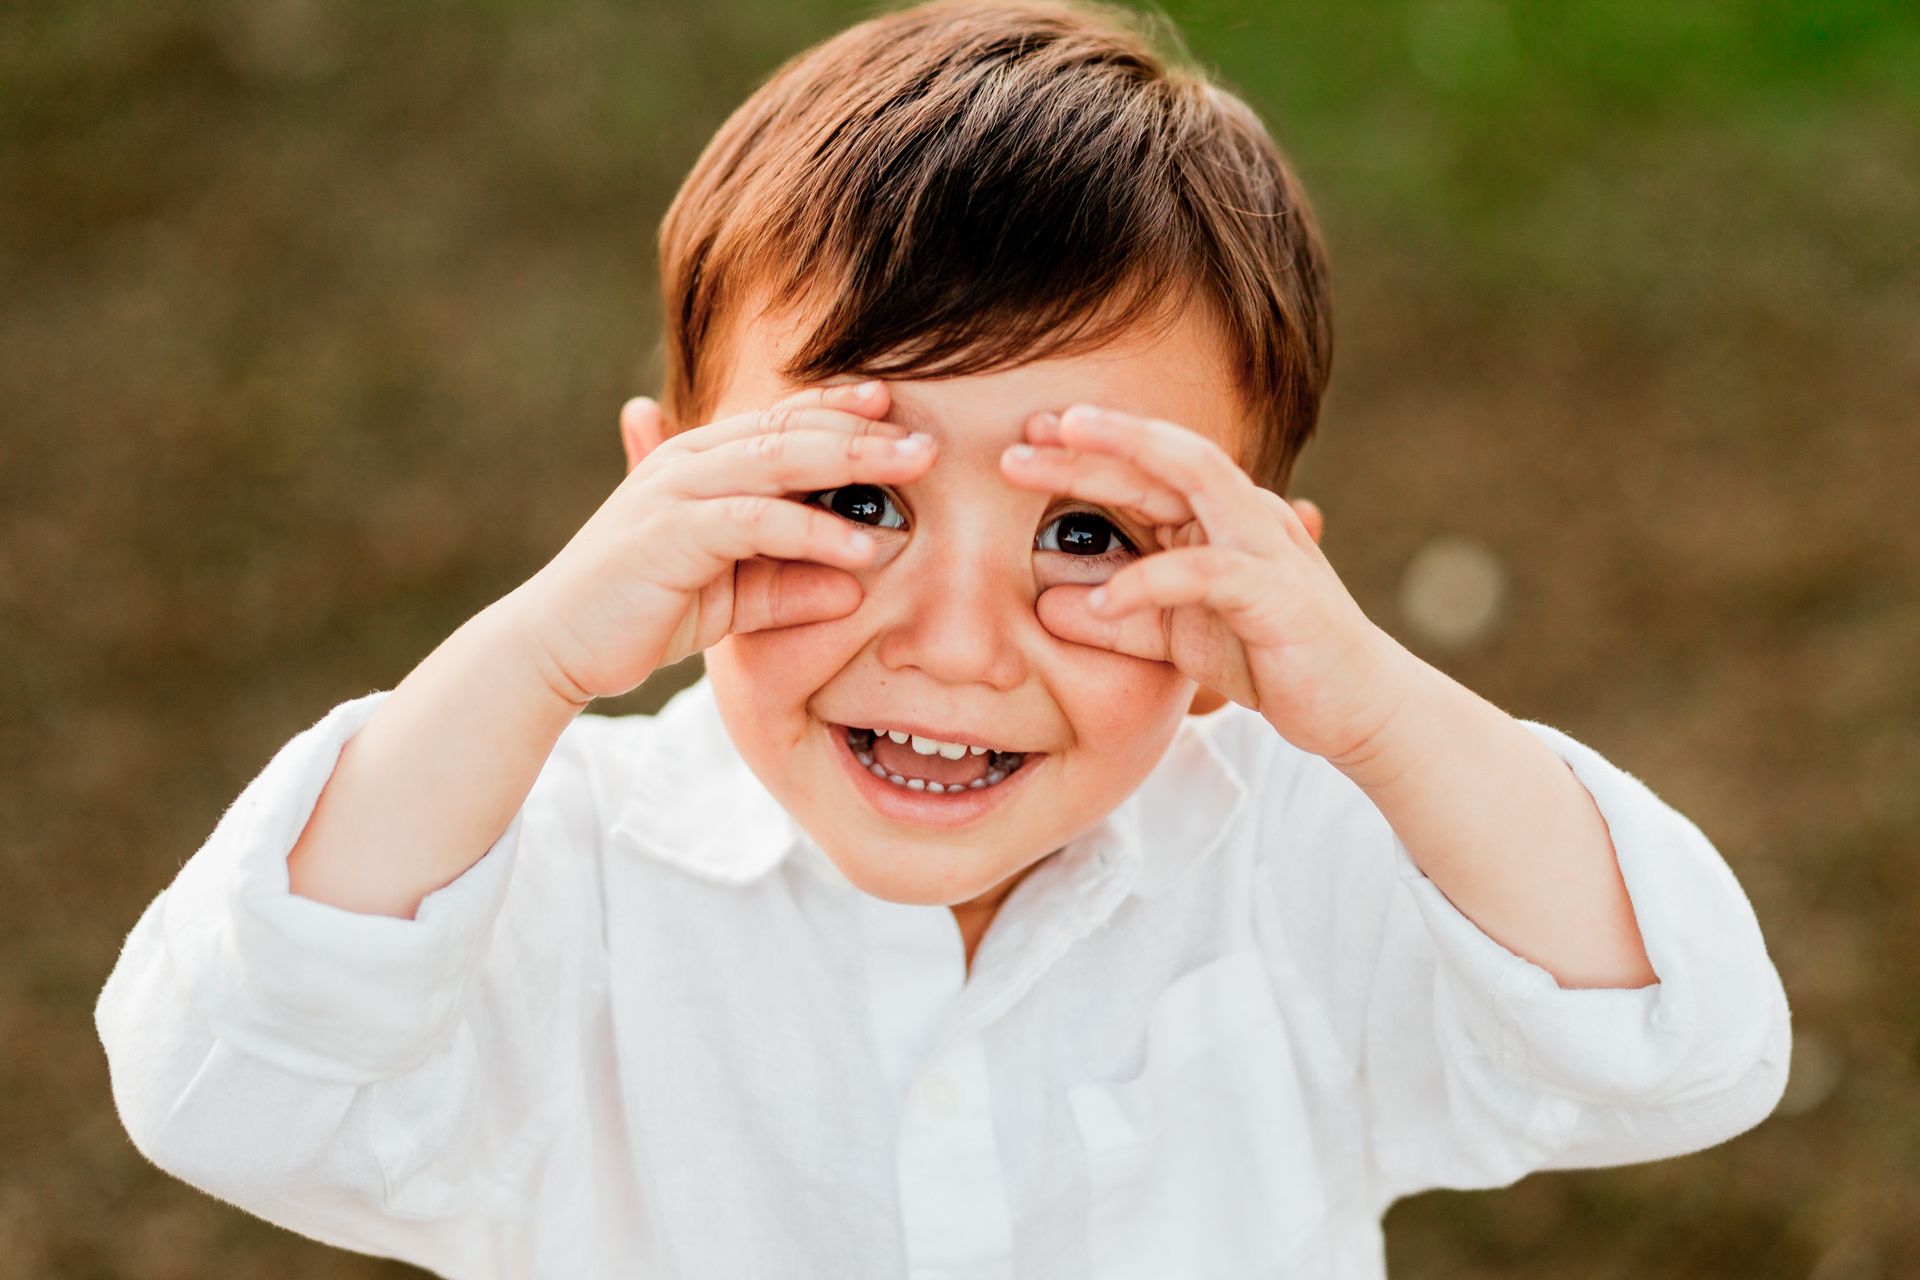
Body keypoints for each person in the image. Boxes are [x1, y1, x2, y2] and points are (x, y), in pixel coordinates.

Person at [95, 1, 1791, 1275]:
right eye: (856, 499)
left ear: (1256, 591)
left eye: (1086, 532)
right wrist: (532, 655)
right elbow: (223, 1084)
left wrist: (1376, 712)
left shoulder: (1303, 863)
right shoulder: (550, 884)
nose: (960, 642)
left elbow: (1682, 1052)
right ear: (658, 497)